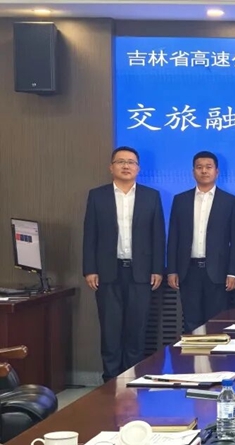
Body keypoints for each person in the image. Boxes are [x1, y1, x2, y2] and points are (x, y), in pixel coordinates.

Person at [82, 146, 165, 382]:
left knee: (136, 330)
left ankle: (132, 379)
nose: (126, 166)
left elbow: (158, 235)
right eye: (121, 162)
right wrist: (90, 269)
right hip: (108, 272)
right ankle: (110, 381)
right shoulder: (97, 196)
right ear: (111, 167)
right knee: (110, 330)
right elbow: (90, 234)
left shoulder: (151, 196)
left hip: (141, 273)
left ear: (138, 168)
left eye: (131, 162)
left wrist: (157, 268)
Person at [166, 151, 235, 333]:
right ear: (193, 172)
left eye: (208, 167)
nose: (204, 171)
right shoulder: (180, 200)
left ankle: (215, 353)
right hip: (188, 271)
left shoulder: (230, 201)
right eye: (199, 167)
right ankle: (193, 353)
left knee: (216, 322)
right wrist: (172, 269)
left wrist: (233, 272)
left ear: (217, 171)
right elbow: (174, 236)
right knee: (191, 322)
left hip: (218, 272)